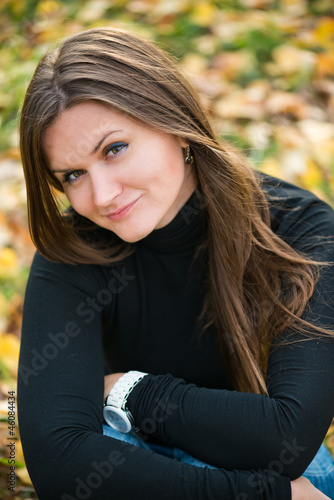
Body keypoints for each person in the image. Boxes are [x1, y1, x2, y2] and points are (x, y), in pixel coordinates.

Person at [17, 26, 334, 500]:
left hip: (260, 462)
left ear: (174, 122)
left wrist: (130, 390)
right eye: (73, 175)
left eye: (114, 149)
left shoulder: (300, 229)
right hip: (152, 470)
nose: (102, 196)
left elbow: (286, 441)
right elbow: (59, 465)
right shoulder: (75, 249)